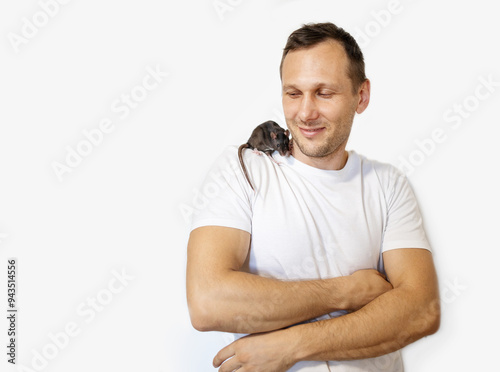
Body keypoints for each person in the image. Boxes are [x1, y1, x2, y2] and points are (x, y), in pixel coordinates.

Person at [186, 22, 440, 372]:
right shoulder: (243, 169)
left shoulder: (388, 185)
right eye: (293, 93)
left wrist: (290, 345)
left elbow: (420, 311)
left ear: (361, 96)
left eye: (324, 93)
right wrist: (346, 293)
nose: (305, 113)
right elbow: (208, 301)